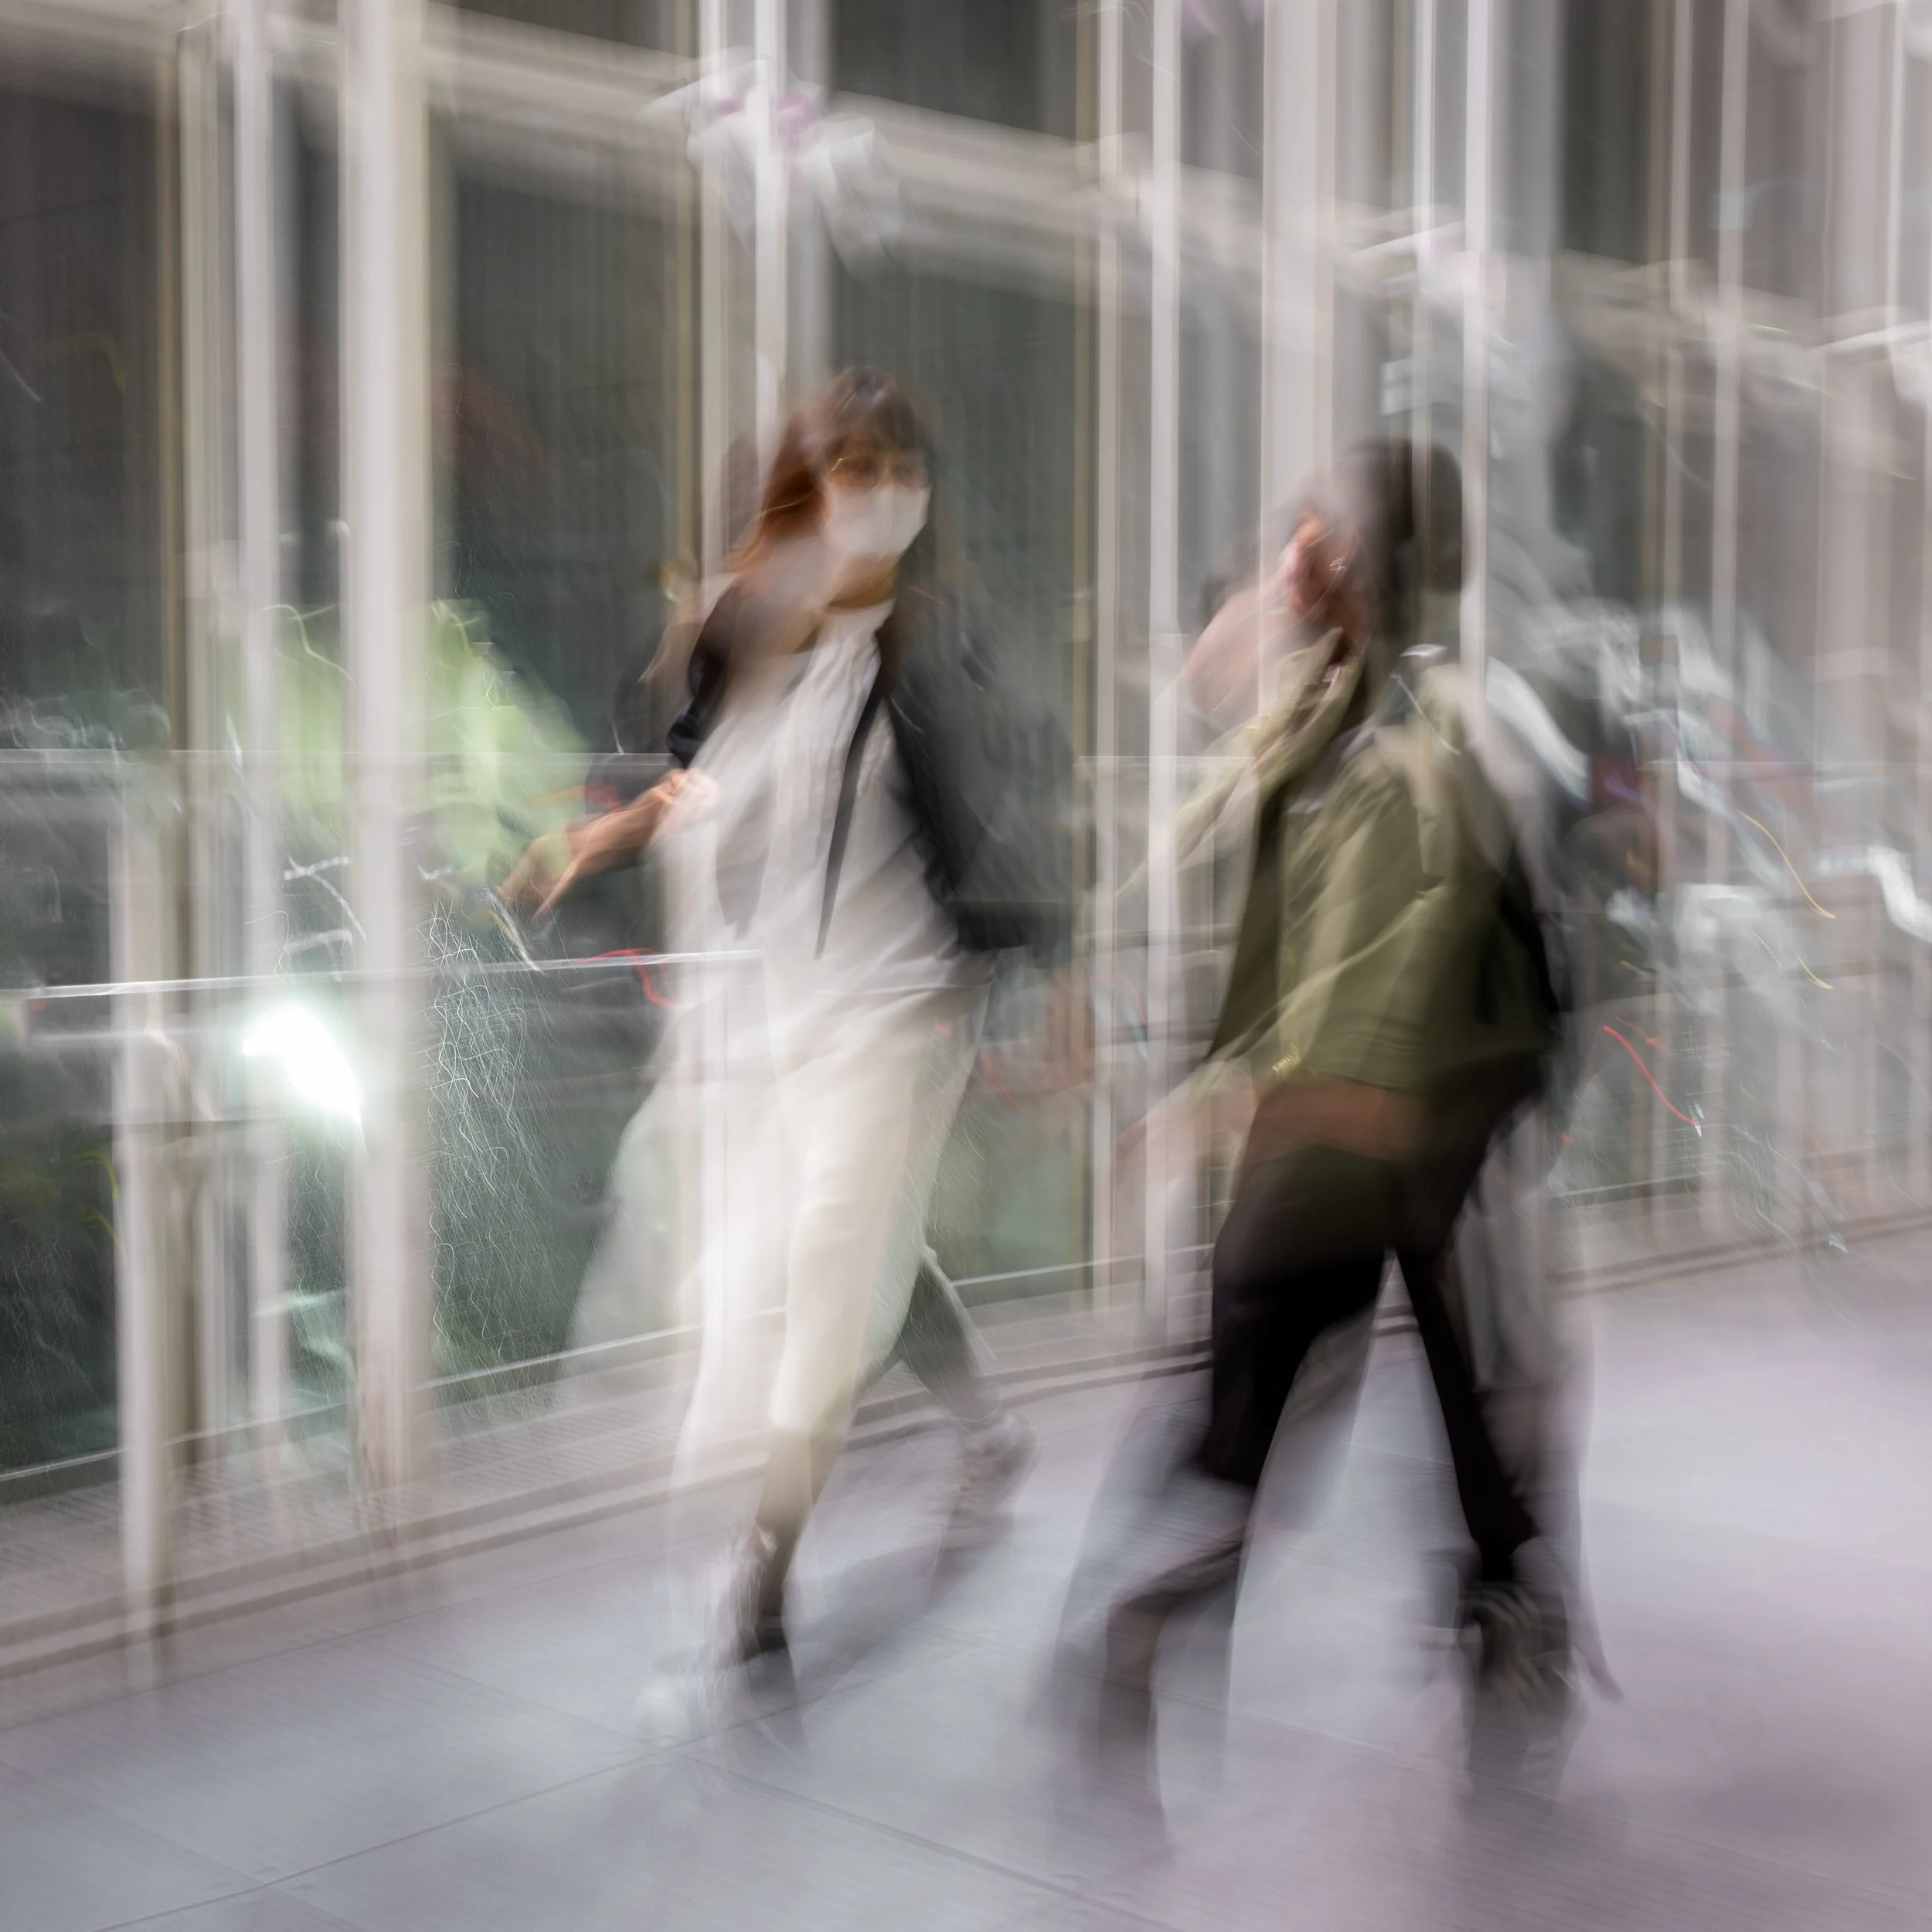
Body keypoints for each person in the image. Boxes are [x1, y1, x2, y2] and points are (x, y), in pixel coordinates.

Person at [515, 366, 1064, 1676]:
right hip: (778, 1009)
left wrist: (1055, 988)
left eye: (896, 471)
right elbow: (703, 781)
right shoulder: (759, 642)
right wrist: (599, 839)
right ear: (806, 492)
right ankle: (988, 1432)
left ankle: (769, 1553)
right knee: (868, 1244)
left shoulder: (944, 653)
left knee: (827, 1268)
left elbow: (1012, 825)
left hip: (903, 1010)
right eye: (850, 472)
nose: (877, 497)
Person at [1058, 437, 1576, 1780]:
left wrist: (1223, 1112)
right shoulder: (1336, 695)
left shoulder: (1422, 743)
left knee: (1342, 1354)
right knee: (1388, 1369)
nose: (1299, 540)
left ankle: (1199, 1592)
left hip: (1407, 1115)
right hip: (1366, 1118)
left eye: (1323, 528)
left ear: (1379, 559)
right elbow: (1208, 795)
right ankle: (1488, 1590)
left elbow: (1375, 999)